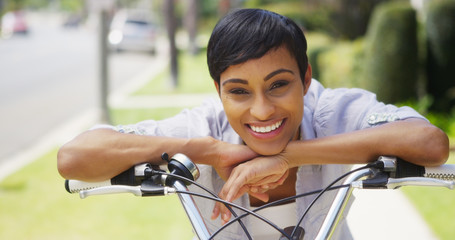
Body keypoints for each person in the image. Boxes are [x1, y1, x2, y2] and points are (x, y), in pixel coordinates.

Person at [57, 8, 449, 239]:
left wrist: (287, 157)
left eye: (279, 84)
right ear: (219, 90)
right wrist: (203, 150)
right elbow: (74, 158)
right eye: (239, 91)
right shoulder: (203, 127)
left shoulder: (332, 110)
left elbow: (429, 143)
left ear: (306, 78)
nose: (262, 111)